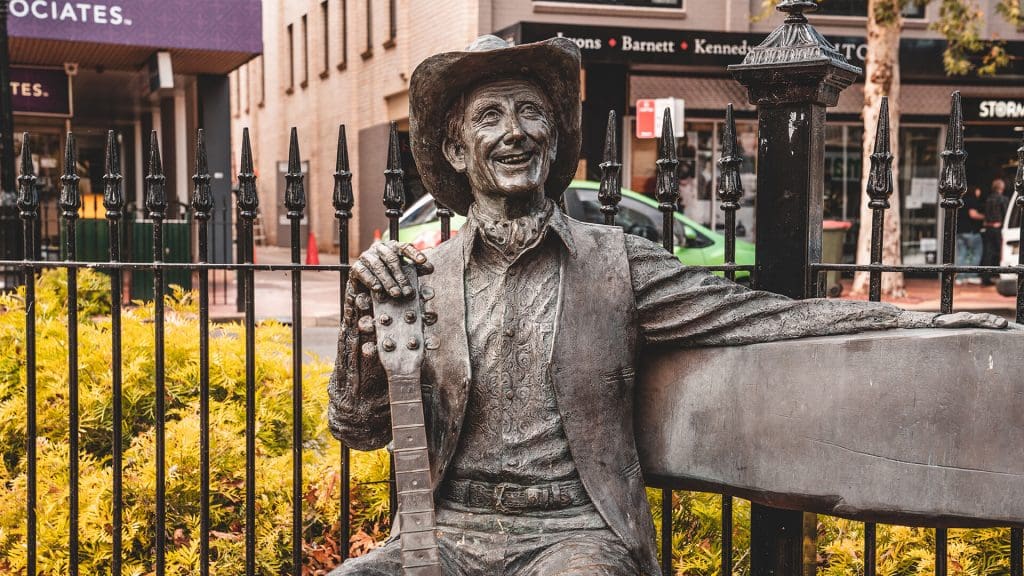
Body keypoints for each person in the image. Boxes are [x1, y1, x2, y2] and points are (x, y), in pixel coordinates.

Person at [327, 36, 1008, 576]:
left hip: (574, 539)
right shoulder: (422, 278)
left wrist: (925, 321)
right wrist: (358, 334)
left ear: (557, 139)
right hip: (445, 537)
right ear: (454, 148)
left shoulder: (613, 264)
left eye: (532, 112)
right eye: (490, 116)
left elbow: (769, 318)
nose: (517, 132)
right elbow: (359, 431)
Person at [981, 178, 1009, 285]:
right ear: (1002, 187)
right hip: (998, 229)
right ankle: (998, 275)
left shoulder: (988, 199)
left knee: (988, 252)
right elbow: (1006, 215)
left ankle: (986, 278)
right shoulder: (1003, 199)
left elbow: (986, 215)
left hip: (988, 228)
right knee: (1000, 252)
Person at [956, 186, 985, 284]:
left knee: (961, 255)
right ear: (975, 190)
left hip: (960, 231)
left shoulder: (961, 201)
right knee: (976, 253)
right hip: (971, 232)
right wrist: (985, 217)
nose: (979, 192)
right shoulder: (972, 200)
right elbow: (973, 214)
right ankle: (971, 276)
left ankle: (960, 278)